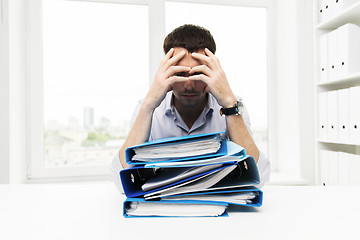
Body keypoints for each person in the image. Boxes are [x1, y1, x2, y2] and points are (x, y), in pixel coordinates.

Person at [110, 24, 270, 192]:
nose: (189, 85)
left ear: (212, 71)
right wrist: (149, 104)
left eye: (197, 74)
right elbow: (120, 180)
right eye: (180, 74)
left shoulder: (232, 105)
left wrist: (229, 105)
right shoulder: (149, 107)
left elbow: (259, 177)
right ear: (167, 73)